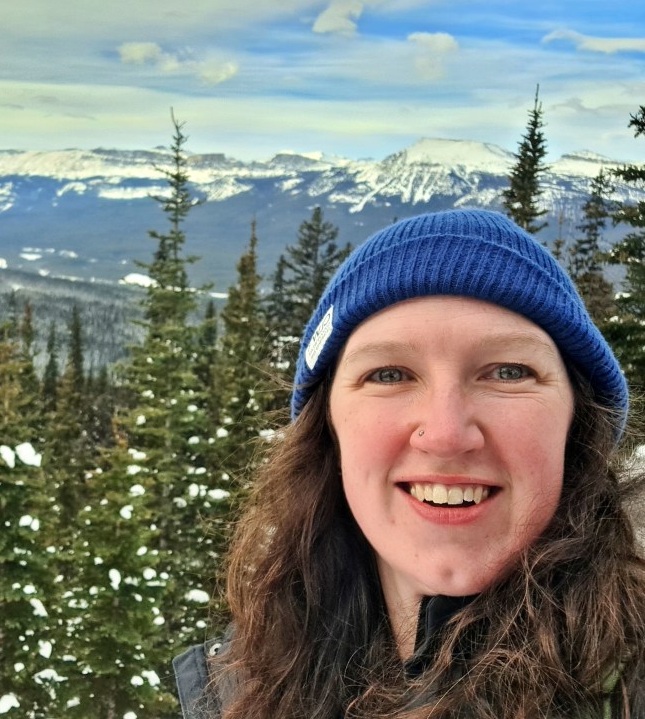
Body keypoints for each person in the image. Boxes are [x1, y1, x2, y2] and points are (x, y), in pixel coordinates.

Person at [173, 208, 645, 718]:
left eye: (509, 372)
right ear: (327, 428)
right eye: (389, 374)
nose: (445, 435)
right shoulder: (237, 687)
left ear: (579, 422)